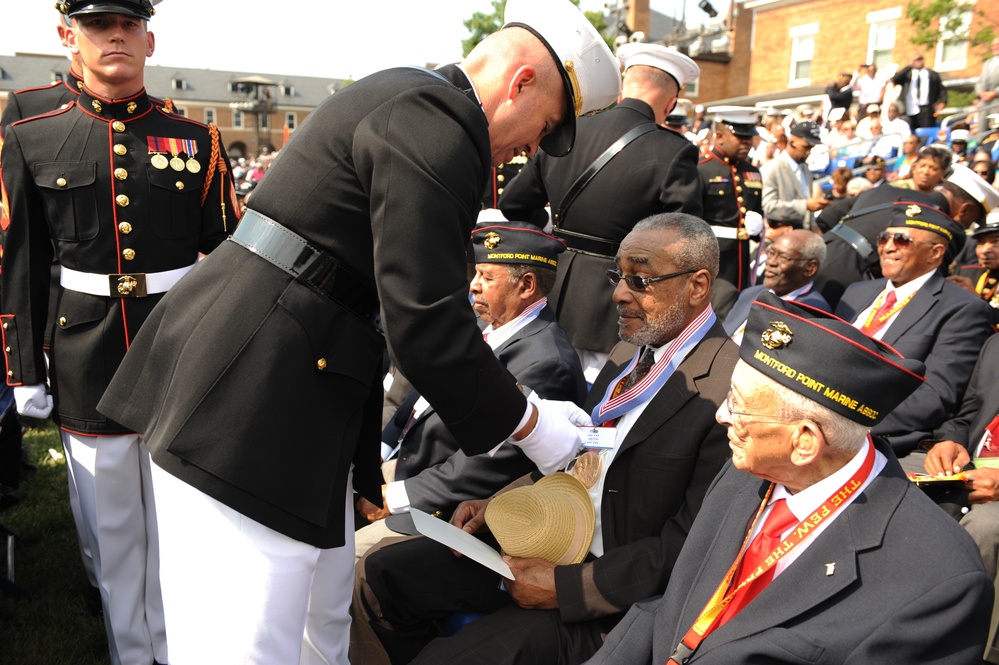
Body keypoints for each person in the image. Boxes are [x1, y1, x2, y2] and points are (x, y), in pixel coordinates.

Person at [95, 1, 624, 662]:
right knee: (243, 642)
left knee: (316, 631)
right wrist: (534, 427)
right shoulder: (438, 117)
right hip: (249, 398)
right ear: (519, 82)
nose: (529, 151)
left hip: (285, 389)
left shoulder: (415, 102)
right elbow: (425, 318)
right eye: (541, 127)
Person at [352, 212, 739, 665]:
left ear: (696, 286)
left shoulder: (727, 388)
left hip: (607, 599)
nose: (616, 293)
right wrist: (500, 503)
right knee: (378, 577)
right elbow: (582, 458)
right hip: (546, 541)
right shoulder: (629, 353)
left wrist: (568, 588)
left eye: (640, 279)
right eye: (619, 275)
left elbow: (691, 546)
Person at [0, 0, 240, 663]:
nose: (115, 35)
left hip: (177, 347)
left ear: (150, 38)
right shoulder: (33, 136)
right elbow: (21, 263)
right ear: (65, 36)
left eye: (129, 24)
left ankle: (176, 646)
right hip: (87, 352)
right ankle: (133, 653)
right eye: (98, 24)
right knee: (113, 528)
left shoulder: (195, 138)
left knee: (180, 524)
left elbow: (227, 258)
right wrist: (23, 370)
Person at [584, 290, 993, 665]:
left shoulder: (939, 582)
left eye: (738, 405)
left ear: (804, 443)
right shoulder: (747, 470)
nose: (721, 415)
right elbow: (673, 606)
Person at [354, 221, 586, 558]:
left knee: (347, 562)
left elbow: (487, 465)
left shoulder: (547, 361)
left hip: (445, 504)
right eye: (476, 274)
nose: (473, 286)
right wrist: (382, 448)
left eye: (487, 278)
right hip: (408, 465)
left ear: (526, 286)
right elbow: (423, 396)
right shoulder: (486, 323)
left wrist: (394, 497)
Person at [499, 42, 701, 381]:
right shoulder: (675, 152)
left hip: (548, 288)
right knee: (595, 410)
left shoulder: (571, 131)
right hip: (615, 305)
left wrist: (553, 231)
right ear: (671, 104)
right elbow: (684, 239)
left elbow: (513, 204)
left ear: (623, 89)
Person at [835, 203, 992, 458]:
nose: (887, 246)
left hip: (873, 438)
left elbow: (936, 397)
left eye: (902, 240)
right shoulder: (856, 291)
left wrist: (843, 420)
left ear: (935, 253)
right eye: (884, 238)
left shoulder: (962, 309)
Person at [918, 333, 999, 663]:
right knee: (887, 486)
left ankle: (959, 651)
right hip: (971, 467)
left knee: (986, 525)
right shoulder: (995, 345)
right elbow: (967, 414)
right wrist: (950, 442)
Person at [814, 147, 952, 308]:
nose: (926, 172)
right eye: (922, 166)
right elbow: (827, 217)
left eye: (933, 168)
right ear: (914, 166)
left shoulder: (936, 208)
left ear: (942, 174)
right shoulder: (889, 189)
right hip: (848, 261)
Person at [698, 106, 764, 293]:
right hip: (712, 257)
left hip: (742, 255)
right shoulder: (700, 169)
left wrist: (759, 227)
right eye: (741, 138)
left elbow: (756, 210)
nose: (747, 143)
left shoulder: (752, 172)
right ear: (719, 136)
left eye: (749, 137)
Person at [724, 229, 830, 343]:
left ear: (810, 268)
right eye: (771, 253)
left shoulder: (815, 315)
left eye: (783, 257)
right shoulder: (750, 294)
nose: (770, 262)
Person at [760, 120, 828, 230]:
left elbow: (808, 201)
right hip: (782, 237)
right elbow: (768, 207)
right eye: (806, 147)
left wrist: (814, 226)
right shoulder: (771, 169)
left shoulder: (805, 169)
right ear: (792, 142)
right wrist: (805, 205)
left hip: (804, 234)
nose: (809, 152)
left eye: (811, 148)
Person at [951, 210, 999, 326]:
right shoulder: (965, 275)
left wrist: (975, 301)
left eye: (996, 241)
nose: (985, 250)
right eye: (981, 243)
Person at [891, 54, 947, 129]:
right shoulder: (908, 74)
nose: (918, 62)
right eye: (915, 60)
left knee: (926, 130)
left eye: (920, 59)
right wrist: (909, 66)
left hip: (926, 108)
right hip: (909, 107)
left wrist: (943, 101)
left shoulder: (931, 74)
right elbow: (895, 79)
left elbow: (941, 89)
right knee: (909, 130)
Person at [976, 36, 999, 104]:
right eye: (993, 45)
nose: (995, 47)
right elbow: (980, 82)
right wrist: (980, 93)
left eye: (997, 44)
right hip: (984, 103)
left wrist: (995, 93)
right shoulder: (987, 63)